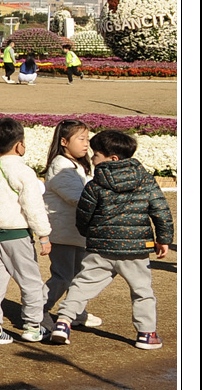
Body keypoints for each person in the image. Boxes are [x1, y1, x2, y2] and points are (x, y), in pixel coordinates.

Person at [53, 129, 173, 349]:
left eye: (96, 154)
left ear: (113, 158)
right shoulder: (146, 180)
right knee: (142, 291)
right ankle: (147, 334)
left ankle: (63, 321)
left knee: (82, 284)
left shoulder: (95, 184)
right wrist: (163, 239)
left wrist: (88, 233)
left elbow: (84, 214)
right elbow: (160, 210)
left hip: (101, 248)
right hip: (135, 250)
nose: (92, 158)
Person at [0, 116, 52, 345]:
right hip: (16, 235)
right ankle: (33, 327)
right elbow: (33, 206)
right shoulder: (23, 171)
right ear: (19, 145)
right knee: (31, 282)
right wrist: (43, 234)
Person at [40, 119, 96, 328]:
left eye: (87, 139)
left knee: (78, 277)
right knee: (62, 276)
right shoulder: (61, 166)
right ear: (64, 141)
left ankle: (75, 312)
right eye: (81, 139)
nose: (86, 144)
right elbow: (77, 197)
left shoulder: (76, 165)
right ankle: (38, 309)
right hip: (62, 233)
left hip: (75, 232)